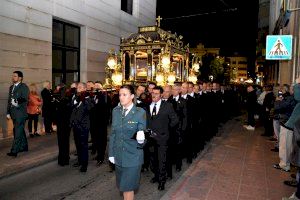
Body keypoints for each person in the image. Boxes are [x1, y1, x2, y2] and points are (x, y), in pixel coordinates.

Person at [108, 84, 146, 200]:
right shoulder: (116, 111)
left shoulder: (140, 112)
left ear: (132, 96)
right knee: (122, 187)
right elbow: (113, 134)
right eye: (120, 95)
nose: (121, 97)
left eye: (125, 95)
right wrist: (111, 153)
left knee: (128, 188)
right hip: (119, 156)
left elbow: (142, 139)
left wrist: (141, 139)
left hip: (133, 157)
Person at [147, 86, 178, 190]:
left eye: (156, 93)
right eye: (152, 93)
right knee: (153, 160)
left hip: (162, 139)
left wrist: (166, 130)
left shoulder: (167, 106)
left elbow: (175, 120)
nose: (154, 95)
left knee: (161, 160)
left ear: (161, 95)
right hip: (150, 138)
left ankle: (162, 181)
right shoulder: (148, 106)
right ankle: (156, 176)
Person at [70, 82, 94, 172]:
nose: (78, 89)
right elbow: (72, 106)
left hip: (84, 126)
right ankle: (80, 160)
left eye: (80, 87)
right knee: (78, 144)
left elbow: (90, 108)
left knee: (83, 145)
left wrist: (84, 98)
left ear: (84, 88)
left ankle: (84, 164)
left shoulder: (88, 98)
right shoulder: (75, 96)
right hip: (76, 125)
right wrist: (76, 98)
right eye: (77, 87)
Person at [6, 71, 30, 157]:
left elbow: (25, 98)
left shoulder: (24, 87)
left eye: (15, 76)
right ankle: (24, 146)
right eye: (13, 76)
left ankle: (14, 151)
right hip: (13, 113)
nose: (13, 77)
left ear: (20, 78)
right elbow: (9, 101)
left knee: (17, 131)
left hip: (20, 113)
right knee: (20, 130)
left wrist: (17, 102)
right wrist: (8, 112)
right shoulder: (11, 87)